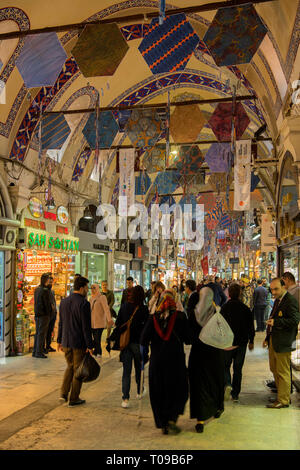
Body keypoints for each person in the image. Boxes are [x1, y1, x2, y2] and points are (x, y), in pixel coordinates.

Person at [140, 290, 190, 435]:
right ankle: (172, 418)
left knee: (159, 391)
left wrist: (145, 356)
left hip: (157, 362)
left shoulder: (153, 318)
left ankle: (162, 422)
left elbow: (143, 339)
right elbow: (188, 339)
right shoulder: (180, 317)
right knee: (178, 390)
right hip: (176, 361)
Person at [187, 286, 225, 433]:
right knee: (214, 381)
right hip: (214, 353)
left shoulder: (192, 314)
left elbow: (189, 338)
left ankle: (200, 419)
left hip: (198, 354)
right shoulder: (217, 313)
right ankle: (217, 407)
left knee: (199, 385)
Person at [263, 278, 300, 408]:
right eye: (272, 289)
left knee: (283, 371)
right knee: (275, 369)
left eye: (276, 289)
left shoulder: (290, 301)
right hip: (275, 340)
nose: (273, 292)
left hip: (284, 342)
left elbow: (295, 320)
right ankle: (281, 395)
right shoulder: (279, 300)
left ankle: (283, 400)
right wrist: (268, 338)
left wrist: (276, 323)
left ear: (284, 286)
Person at [110, 285, 149, 408]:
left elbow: (118, 323)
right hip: (138, 343)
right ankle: (139, 391)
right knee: (139, 369)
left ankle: (125, 399)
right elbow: (146, 328)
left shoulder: (125, 306)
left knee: (126, 371)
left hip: (125, 343)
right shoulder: (143, 309)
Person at [57, 276, 94, 407]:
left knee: (70, 366)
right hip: (78, 343)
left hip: (66, 341)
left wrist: (59, 340)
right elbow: (86, 327)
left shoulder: (64, 302)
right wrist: (90, 345)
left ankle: (63, 393)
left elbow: (61, 323)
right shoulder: (84, 304)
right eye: (87, 288)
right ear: (82, 287)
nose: (87, 290)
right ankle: (74, 398)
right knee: (78, 369)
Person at [220, 283, 255, 402]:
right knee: (238, 369)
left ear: (229, 294)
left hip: (227, 343)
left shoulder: (224, 308)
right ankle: (235, 394)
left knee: (225, 367)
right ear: (240, 293)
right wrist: (252, 340)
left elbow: (220, 326)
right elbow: (250, 326)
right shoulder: (245, 309)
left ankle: (228, 384)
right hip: (241, 343)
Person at [90, 284, 114, 357]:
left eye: (94, 288)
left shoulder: (102, 297)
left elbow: (106, 309)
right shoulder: (91, 298)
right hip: (92, 322)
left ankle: (99, 352)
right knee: (94, 338)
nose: (92, 290)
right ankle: (96, 351)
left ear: (97, 288)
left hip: (100, 322)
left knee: (97, 338)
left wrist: (109, 319)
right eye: (91, 288)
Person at [32, 273, 52, 358]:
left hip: (37, 314)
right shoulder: (45, 290)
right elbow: (46, 304)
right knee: (41, 333)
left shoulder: (37, 289)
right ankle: (39, 352)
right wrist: (49, 313)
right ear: (46, 280)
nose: (50, 281)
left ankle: (35, 351)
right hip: (43, 315)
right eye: (48, 279)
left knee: (38, 333)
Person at [45, 275, 57, 353]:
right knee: (45, 331)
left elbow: (53, 302)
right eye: (49, 281)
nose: (51, 283)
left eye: (51, 282)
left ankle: (48, 345)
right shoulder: (44, 291)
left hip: (53, 314)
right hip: (47, 314)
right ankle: (43, 347)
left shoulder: (52, 291)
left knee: (50, 331)